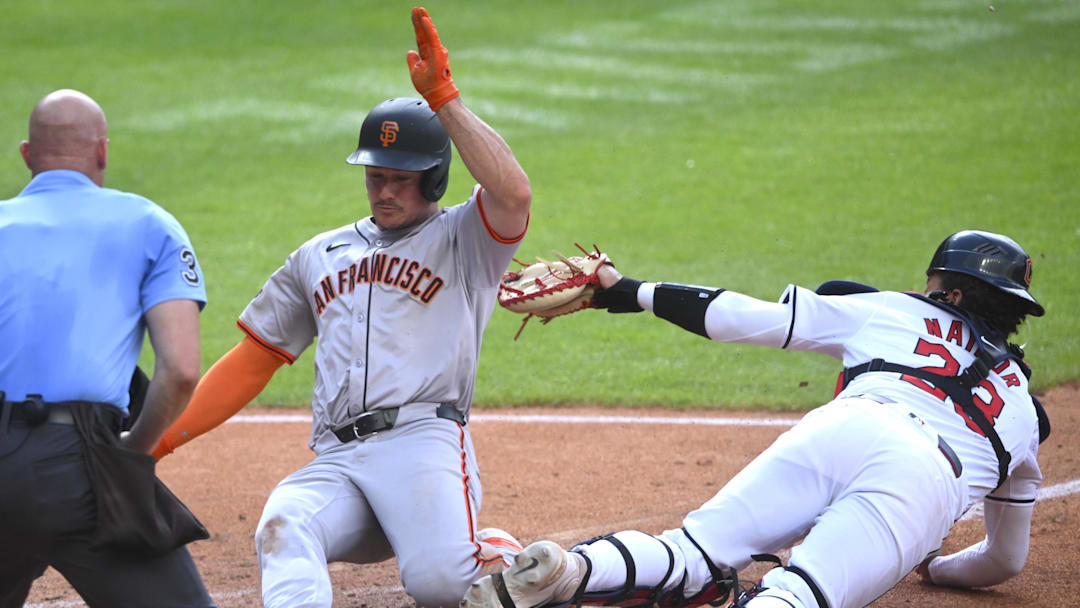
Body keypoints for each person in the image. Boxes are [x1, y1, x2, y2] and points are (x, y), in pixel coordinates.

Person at [150, 7, 531, 607]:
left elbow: (513, 193)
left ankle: (494, 554)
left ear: (434, 179)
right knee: (284, 522)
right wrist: (156, 441)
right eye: (375, 175)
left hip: (422, 446)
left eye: (401, 178)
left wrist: (444, 98)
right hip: (339, 458)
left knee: (441, 589)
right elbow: (255, 359)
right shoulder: (318, 255)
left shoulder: (466, 241)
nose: (384, 189)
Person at [462, 230, 1047, 608]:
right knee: (797, 596)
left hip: (845, 425)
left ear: (952, 293)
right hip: (922, 481)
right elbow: (1003, 560)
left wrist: (631, 291)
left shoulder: (893, 310)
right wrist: (938, 568)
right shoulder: (1025, 412)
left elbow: (743, 317)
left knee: (692, 549)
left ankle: (570, 568)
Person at [0, 90, 214, 606]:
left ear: (28, 156)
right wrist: (131, 456)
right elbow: (182, 370)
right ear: (102, 153)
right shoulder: (150, 224)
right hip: (83, 469)